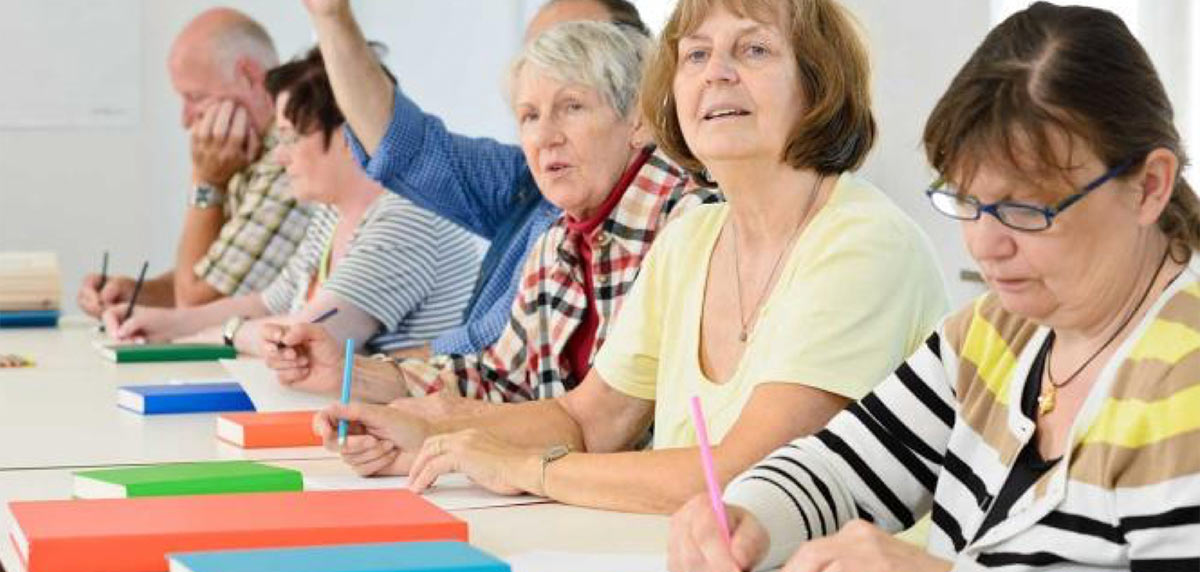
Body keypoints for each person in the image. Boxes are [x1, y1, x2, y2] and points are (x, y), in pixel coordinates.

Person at [303, 0, 947, 515]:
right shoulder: (693, 237)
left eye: (753, 49)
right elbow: (589, 420)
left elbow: (746, 477)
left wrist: (526, 467)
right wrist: (438, 443)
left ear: (819, 85)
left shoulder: (861, 242)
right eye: (696, 55)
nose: (716, 72)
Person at [668, 3, 1200, 571]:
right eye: (968, 202)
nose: (985, 245)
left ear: (1149, 187)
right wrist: (749, 516)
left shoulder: (1182, 379)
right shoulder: (996, 334)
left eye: (1026, 208)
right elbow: (842, 467)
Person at [264, 21, 721, 404]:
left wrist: (458, 440)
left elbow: (599, 425)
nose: (546, 137)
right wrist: (350, 375)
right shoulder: (558, 236)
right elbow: (501, 379)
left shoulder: (690, 225)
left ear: (639, 119)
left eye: (572, 107)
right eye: (529, 116)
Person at [294, 0, 651, 359]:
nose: (545, 134)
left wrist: (368, 372)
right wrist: (330, 15)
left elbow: (495, 361)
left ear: (637, 97)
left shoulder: (667, 213)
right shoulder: (531, 184)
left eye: (574, 52)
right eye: (530, 112)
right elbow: (403, 147)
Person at [101, 48, 479, 356]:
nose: (280, 156)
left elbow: (306, 339)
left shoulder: (406, 217)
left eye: (290, 137)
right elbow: (268, 304)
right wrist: (164, 323)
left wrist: (222, 332)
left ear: (351, 134)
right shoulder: (333, 211)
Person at [77, 8, 310, 315]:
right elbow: (220, 276)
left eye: (196, 97)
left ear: (249, 76)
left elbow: (198, 304)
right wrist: (135, 293)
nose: (186, 120)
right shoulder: (249, 154)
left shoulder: (290, 162)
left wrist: (206, 181)